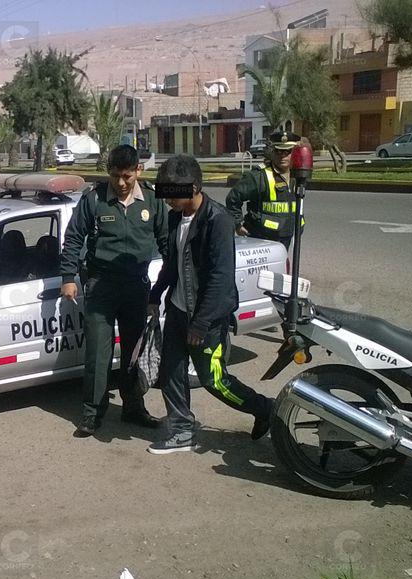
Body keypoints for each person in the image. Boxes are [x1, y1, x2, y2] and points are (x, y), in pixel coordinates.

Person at [148, 154, 273, 454]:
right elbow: (172, 263)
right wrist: (155, 295)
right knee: (170, 372)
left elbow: (220, 278)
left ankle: (264, 408)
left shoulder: (218, 220)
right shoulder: (176, 217)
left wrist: (201, 323)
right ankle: (182, 430)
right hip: (178, 310)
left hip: (207, 318)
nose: (166, 199)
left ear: (193, 188)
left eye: (171, 192)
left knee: (214, 380)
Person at [59, 145, 169, 437]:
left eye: (127, 176)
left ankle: (133, 407)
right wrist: (68, 277)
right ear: (108, 172)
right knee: (98, 352)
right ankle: (92, 413)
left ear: (138, 171)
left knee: (134, 352)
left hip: (136, 286)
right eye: (115, 176)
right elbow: (73, 238)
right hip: (101, 287)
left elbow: (166, 240)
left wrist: (171, 280)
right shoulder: (94, 199)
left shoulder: (153, 200)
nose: (120, 183)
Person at [226, 131, 302, 249]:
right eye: (278, 151)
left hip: (285, 236)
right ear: (273, 152)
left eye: (287, 152)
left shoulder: (298, 176)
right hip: (260, 237)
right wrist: (237, 224)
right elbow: (233, 198)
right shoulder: (258, 176)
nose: (282, 156)